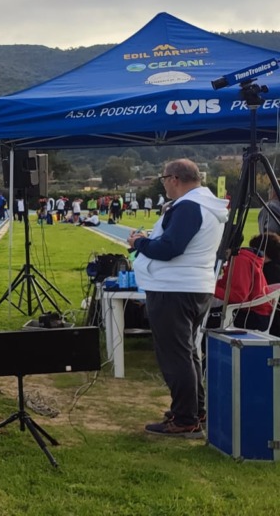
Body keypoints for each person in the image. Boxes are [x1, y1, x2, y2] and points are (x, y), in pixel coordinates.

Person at [127, 159, 227, 437]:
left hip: (174, 288)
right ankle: (194, 409)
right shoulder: (205, 205)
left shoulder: (188, 207)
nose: (164, 185)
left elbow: (170, 248)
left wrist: (139, 243)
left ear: (174, 179)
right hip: (193, 285)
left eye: (163, 179)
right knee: (186, 352)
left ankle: (185, 418)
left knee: (175, 355)